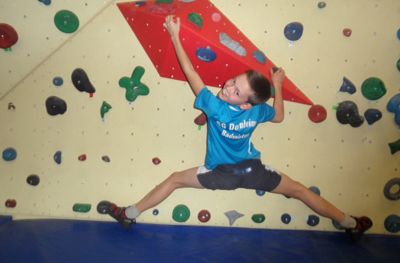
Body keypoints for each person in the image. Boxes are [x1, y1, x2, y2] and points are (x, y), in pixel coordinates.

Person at [101, 15, 372, 241]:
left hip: (222, 174)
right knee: (300, 190)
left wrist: (175, 35)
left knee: (174, 179)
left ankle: (128, 215)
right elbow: (278, 116)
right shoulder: (255, 111)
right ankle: (351, 224)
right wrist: (276, 84)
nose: (227, 87)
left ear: (245, 104)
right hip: (253, 171)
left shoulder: (216, 107)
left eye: (235, 91)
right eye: (232, 81)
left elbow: (191, 73)